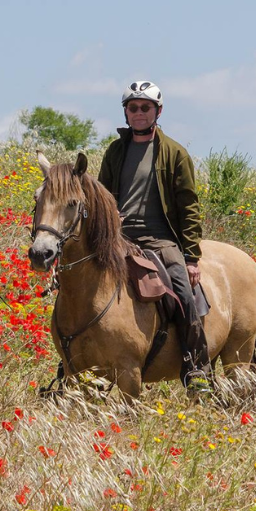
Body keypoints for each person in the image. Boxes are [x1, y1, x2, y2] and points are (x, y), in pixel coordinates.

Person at [97, 80, 214, 390]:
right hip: (120, 239)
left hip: (161, 242)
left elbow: (189, 208)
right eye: (133, 107)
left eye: (145, 107)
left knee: (185, 296)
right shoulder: (115, 151)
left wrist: (190, 257)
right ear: (125, 112)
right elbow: (102, 197)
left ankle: (196, 367)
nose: (138, 113)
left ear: (157, 111)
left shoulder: (175, 153)